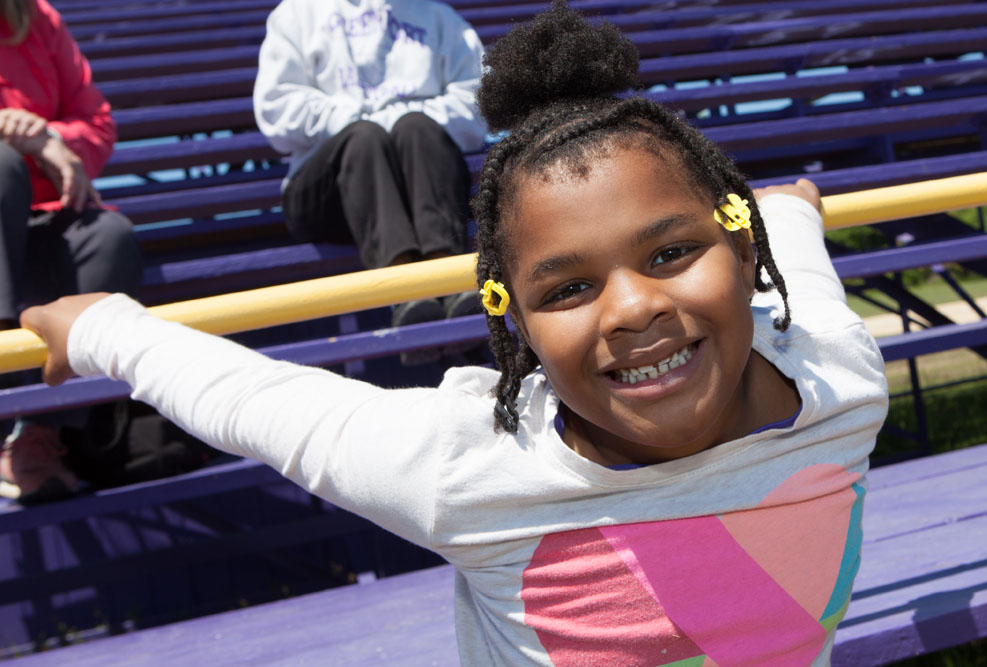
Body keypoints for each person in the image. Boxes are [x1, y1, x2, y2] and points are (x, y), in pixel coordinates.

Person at [23, 4, 887, 663]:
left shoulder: (839, 379)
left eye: (670, 252)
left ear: (742, 247)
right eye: (569, 287)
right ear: (513, 318)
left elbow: (806, 282)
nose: (632, 308)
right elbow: (264, 406)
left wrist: (789, 212)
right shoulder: (468, 465)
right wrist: (99, 325)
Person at [253, 0, 488, 359]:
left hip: (420, 173)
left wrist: (398, 120)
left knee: (416, 128)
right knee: (365, 138)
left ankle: (450, 284)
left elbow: (476, 102)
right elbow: (277, 107)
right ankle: (406, 290)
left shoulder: (437, 16)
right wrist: (366, 121)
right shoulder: (295, 14)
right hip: (328, 196)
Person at [0, 0, 142, 502]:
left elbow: (97, 124)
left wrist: (48, 136)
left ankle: (40, 430)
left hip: (45, 216)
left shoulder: (37, 18)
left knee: (111, 236)